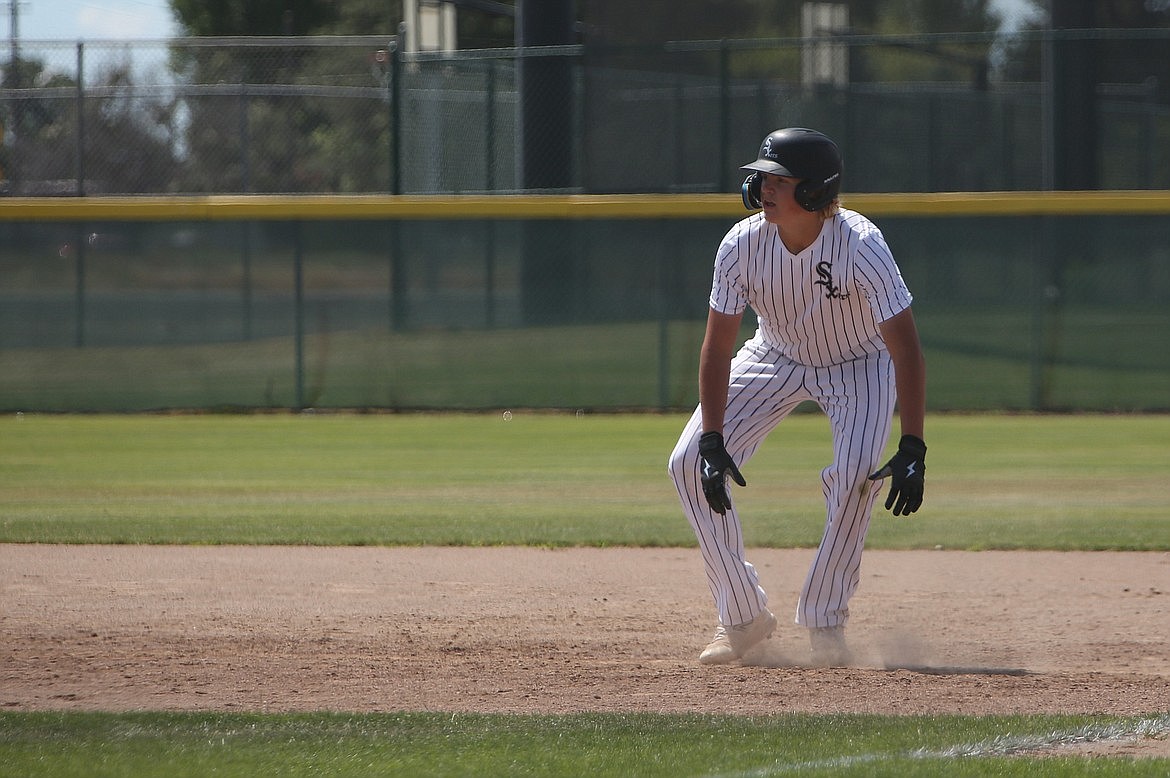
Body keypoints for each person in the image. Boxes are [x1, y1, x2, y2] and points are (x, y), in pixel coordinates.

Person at [667, 127, 927, 667]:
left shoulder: (861, 245)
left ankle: (825, 622)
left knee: (857, 475)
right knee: (688, 462)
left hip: (858, 363)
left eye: (779, 179)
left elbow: (905, 351)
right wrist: (714, 438)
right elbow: (716, 350)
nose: (764, 187)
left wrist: (913, 446)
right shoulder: (741, 245)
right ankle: (741, 617)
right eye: (761, 177)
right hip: (774, 355)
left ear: (814, 190)